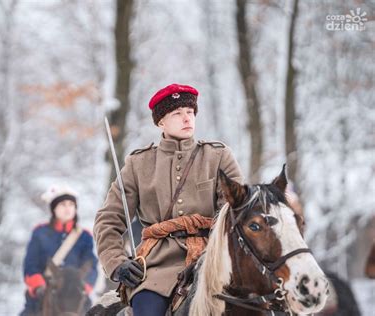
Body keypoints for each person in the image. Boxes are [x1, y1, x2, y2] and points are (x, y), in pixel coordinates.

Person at [93, 84, 244, 316]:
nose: (187, 118)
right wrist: (117, 263)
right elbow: (108, 220)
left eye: (190, 112)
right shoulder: (138, 164)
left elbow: (236, 211)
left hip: (212, 260)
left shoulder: (218, 156)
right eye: (177, 113)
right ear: (161, 122)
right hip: (157, 269)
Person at [20, 186, 98, 316]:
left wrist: (85, 285)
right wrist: (38, 286)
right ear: (54, 208)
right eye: (63, 204)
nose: (68, 208)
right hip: (45, 288)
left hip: (75, 290)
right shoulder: (40, 232)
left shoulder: (84, 236)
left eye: (71, 205)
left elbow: (91, 264)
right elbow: (30, 264)